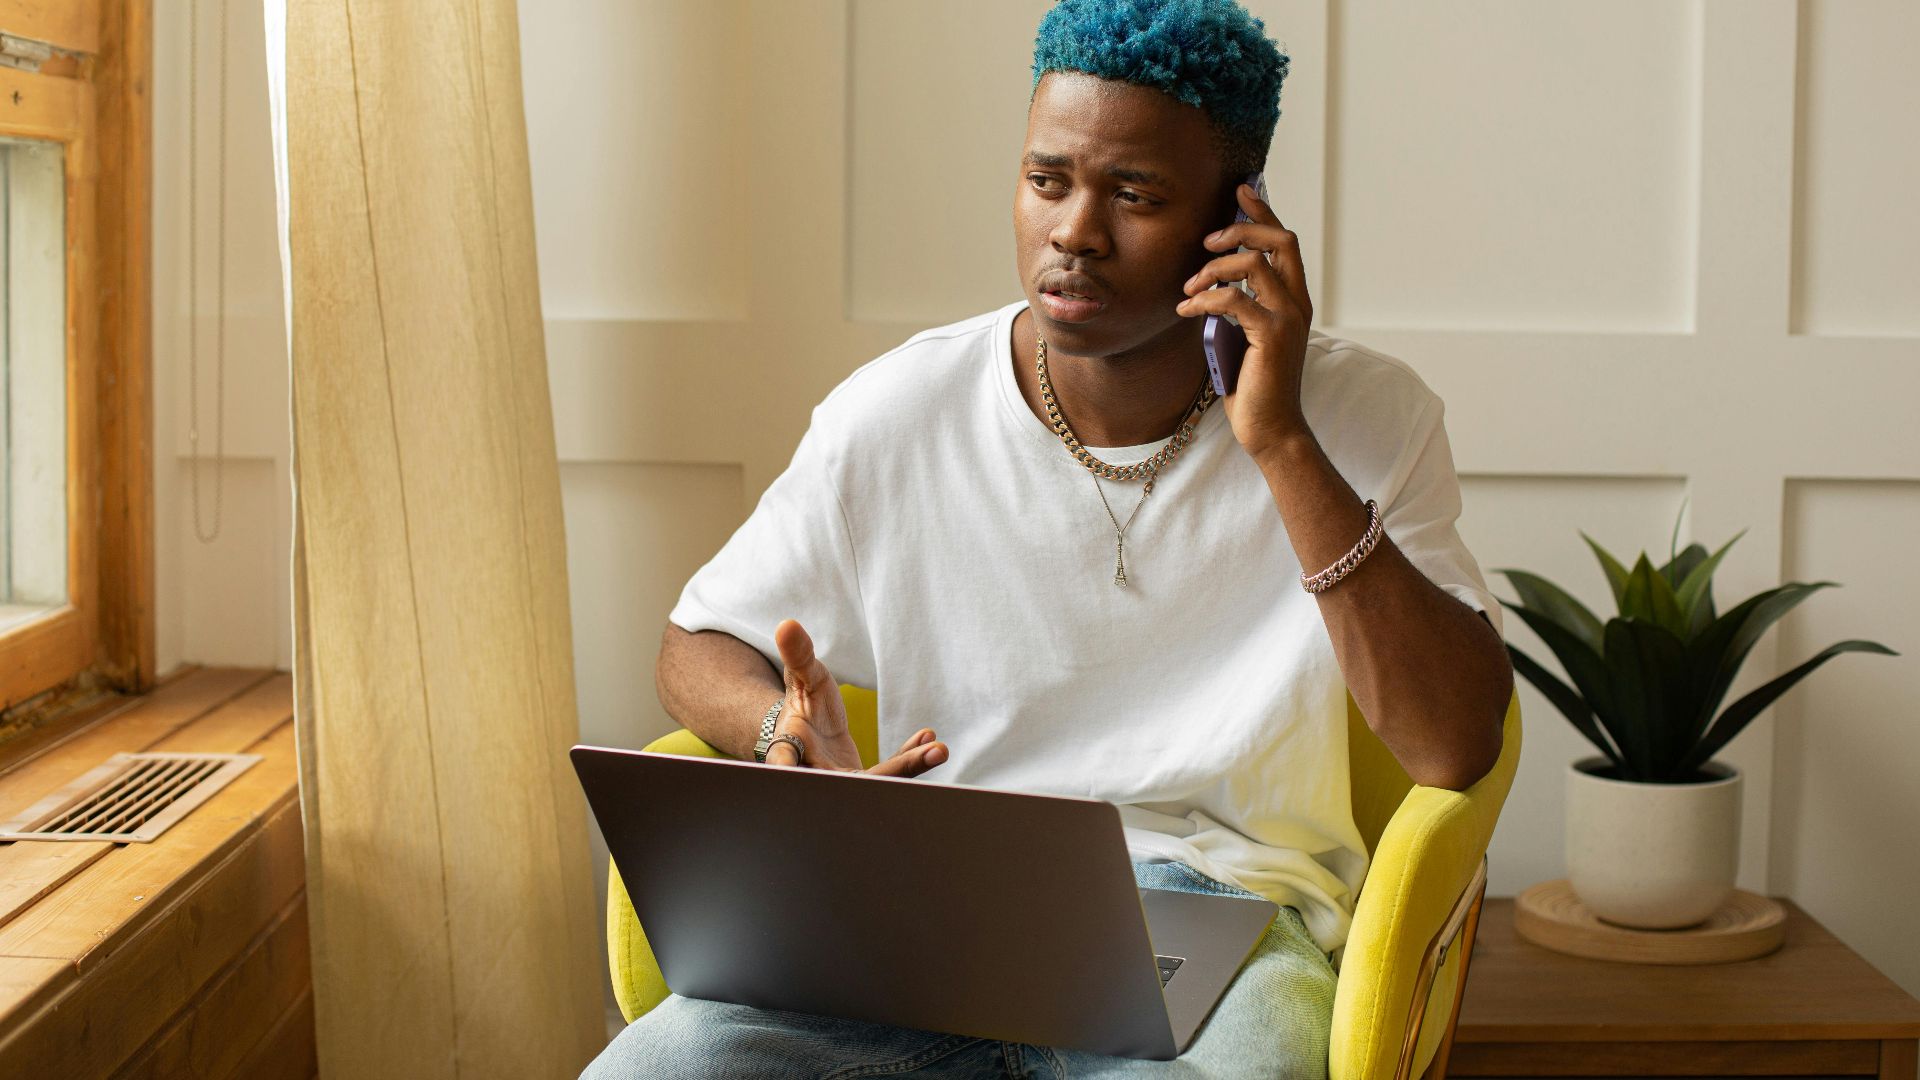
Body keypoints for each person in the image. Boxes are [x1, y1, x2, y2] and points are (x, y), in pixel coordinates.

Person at [583, 1, 1512, 1076]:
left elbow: (1455, 745)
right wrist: (782, 745)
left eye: (1135, 194)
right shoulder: (898, 411)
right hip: (936, 914)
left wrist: (1282, 443)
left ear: (1239, 220)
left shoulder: (1368, 417)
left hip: (1224, 920)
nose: (1075, 230)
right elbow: (695, 644)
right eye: (1047, 180)